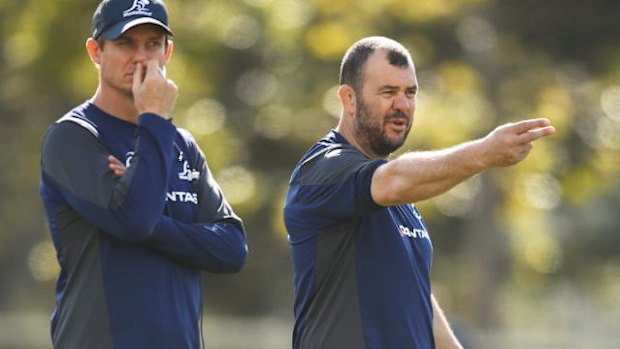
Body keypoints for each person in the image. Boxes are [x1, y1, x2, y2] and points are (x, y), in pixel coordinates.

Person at [283, 36, 555, 348]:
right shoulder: (324, 168)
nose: (403, 105)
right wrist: (484, 153)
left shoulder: (400, 201)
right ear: (349, 98)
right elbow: (394, 179)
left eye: (410, 93)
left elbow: (417, 300)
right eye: (388, 92)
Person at [39, 0, 248, 348]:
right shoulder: (73, 137)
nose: (140, 57)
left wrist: (142, 212)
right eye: (125, 43)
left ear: (167, 52)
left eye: (152, 43)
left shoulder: (179, 143)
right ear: (96, 51)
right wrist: (152, 119)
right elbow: (135, 219)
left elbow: (231, 248)